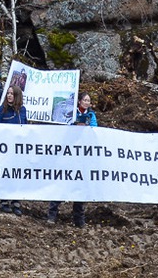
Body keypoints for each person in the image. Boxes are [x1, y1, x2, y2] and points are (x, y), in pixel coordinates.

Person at [46, 92, 96, 227]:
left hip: (82, 156)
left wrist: (86, 128)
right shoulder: (69, 112)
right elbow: (63, 129)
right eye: (85, 100)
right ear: (79, 101)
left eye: (88, 101)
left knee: (80, 186)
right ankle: (52, 214)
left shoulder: (91, 115)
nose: (86, 102)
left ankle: (79, 218)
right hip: (68, 154)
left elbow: (95, 130)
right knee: (62, 182)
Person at [0, 85, 26, 215]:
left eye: (12, 93)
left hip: (17, 149)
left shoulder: (22, 110)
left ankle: (16, 201)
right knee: (5, 174)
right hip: (5, 149)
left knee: (17, 174)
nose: (9, 95)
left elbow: (25, 127)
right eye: (8, 93)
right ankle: (4, 200)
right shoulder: (2, 110)